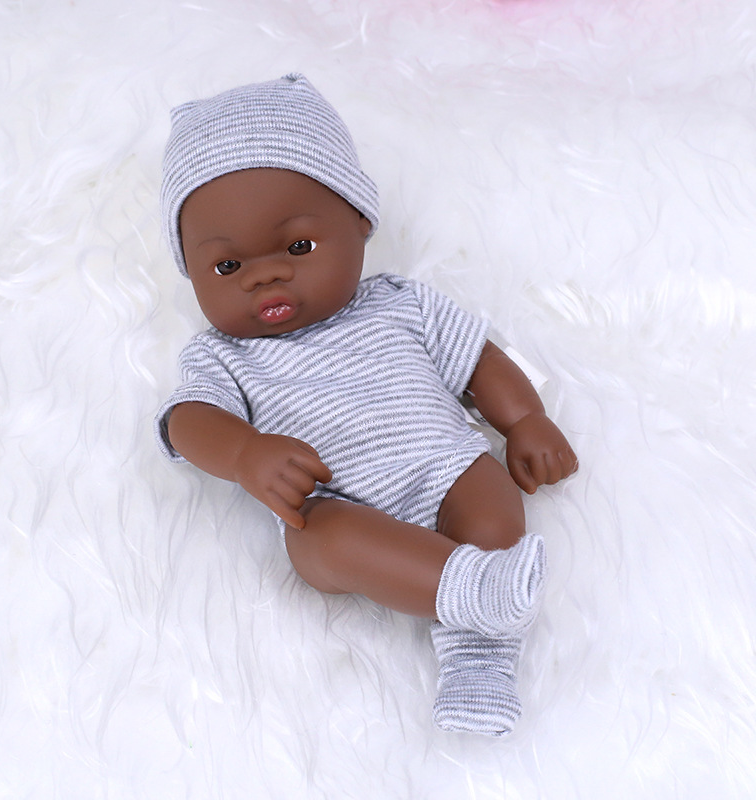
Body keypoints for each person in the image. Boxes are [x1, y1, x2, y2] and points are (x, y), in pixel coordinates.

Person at [154, 74, 578, 736]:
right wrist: (243, 454)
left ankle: (478, 659)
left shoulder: (399, 303)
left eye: (298, 247)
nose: (266, 275)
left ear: (359, 219)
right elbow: (186, 422)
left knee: (489, 501)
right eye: (227, 268)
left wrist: (525, 420)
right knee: (327, 542)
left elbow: (480, 360)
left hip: (444, 470)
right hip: (334, 506)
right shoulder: (223, 356)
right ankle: (481, 592)